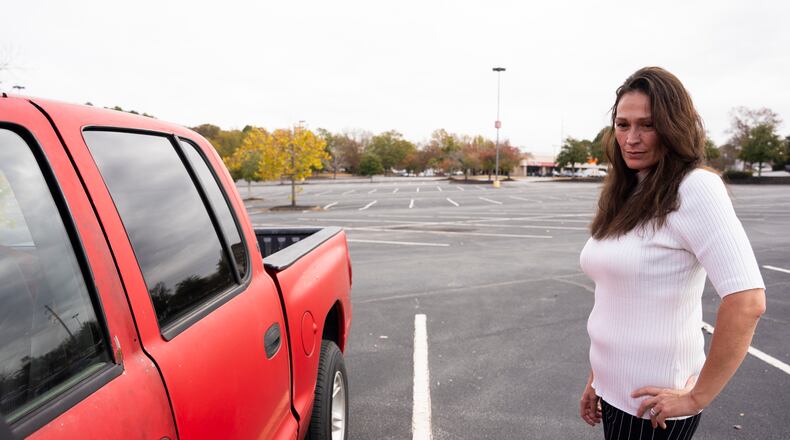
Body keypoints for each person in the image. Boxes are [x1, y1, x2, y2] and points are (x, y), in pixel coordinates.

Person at [578, 67, 766, 439]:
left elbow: (747, 301)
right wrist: (597, 379)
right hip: (613, 392)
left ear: (673, 127)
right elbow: (615, 302)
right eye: (622, 125)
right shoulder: (629, 190)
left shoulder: (695, 188)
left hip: (652, 407)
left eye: (647, 125)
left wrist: (697, 397)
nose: (631, 139)